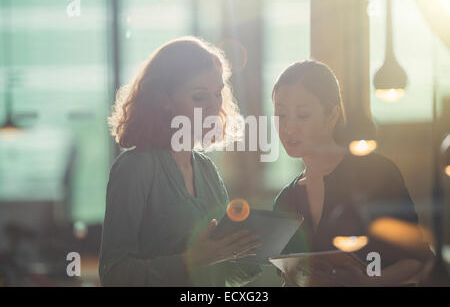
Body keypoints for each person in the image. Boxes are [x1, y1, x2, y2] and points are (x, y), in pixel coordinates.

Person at [99, 36, 263, 286]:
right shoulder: (135, 169)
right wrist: (190, 261)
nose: (214, 107)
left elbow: (225, 273)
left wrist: (256, 252)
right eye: (199, 97)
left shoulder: (206, 169)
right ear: (164, 100)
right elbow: (114, 275)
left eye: (217, 95)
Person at [271, 60, 433, 286]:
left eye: (303, 115)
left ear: (332, 115)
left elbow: (416, 260)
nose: (288, 128)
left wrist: (369, 282)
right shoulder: (285, 201)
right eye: (280, 115)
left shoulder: (376, 174)